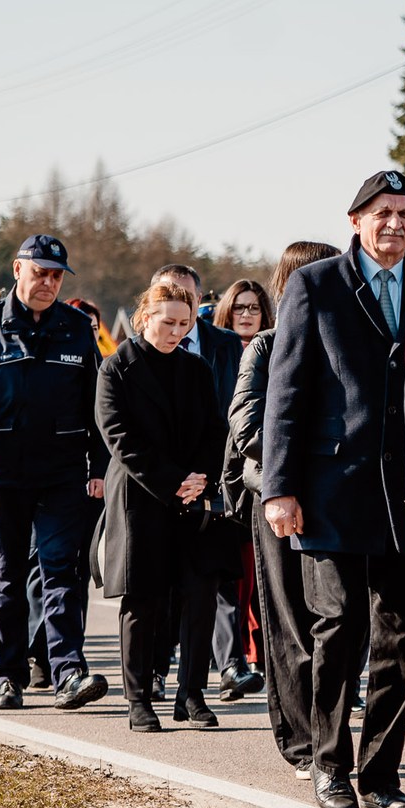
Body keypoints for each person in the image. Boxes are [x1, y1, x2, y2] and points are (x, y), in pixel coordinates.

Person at [263, 170, 405, 808]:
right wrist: (280, 487)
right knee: (340, 628)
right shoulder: (316, 284)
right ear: (355, 221)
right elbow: (288, 390)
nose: (394, 223)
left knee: (402, 637)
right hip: (333, 488)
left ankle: (382, 774)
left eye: (404, 213)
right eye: (381, 212)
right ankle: (330, 765)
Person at [0, 234, 109, 711]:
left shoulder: (78, 327)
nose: (49, 283)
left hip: (62, 473)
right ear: (18, 270)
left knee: (60, 570)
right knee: (9, 577)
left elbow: (96, 404)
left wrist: (98, 467)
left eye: (57, 276)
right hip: (2, 472)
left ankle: (68, 674)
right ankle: (9, 676)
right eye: (41, 273)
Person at [226, 241, 340, 774]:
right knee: (288, 623)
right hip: (276, 498)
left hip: (336, 500)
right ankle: (300, 743)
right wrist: (292, 474)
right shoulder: (266, 347)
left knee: (336, 622)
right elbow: (247, 426)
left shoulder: (346, 337)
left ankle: (331, 735)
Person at [98, 279, 229, 729]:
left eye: (185, 323)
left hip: (193, 499)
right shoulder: (117, 367)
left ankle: (191, 695)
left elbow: (216, 429)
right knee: (143, 600)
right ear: (145, 318)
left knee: (201, 594)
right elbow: (119, 438)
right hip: (141, 498)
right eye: (168, 321)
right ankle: (138, 700)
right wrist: (174, 481)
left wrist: (200, 480)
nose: (176, 331)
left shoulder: (196, 368)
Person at [150, 262, 249, 702]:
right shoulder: (132, 362)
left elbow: (226, 416)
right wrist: (174, 479)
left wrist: (208, 475)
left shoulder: (224, 346)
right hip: (157, 487)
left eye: (188, 300)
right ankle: (154, 670)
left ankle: (223, 669)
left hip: (214, 480)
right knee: (160, 590)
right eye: (171, 299)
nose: (180, 317)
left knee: (212, 582)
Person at [212, 277, 273, 698]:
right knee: (226, 580)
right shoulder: (218, 351)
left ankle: (259, 660)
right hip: (219, 475)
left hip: (257, 476)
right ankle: (231, 663)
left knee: (257, 579)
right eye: (240, 308)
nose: (247, 314)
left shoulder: (271, 349)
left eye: (253, 308)